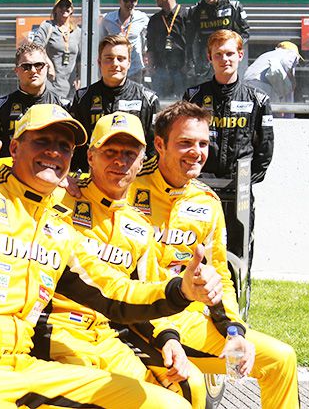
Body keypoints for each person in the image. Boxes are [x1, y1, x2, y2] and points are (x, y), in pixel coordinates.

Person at [0, 103, 223, 408]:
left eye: (64, 146)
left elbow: (114, 292)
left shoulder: (59, 229)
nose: (54, 152)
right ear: (15, 147)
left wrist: (182, 290)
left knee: (166, 404)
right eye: (42, 141)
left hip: (22, 366)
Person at [0, 113, 208, 408]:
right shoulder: (57, 196)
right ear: (91, 157)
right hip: (54, 330)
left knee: (185, 389)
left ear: (141, 162)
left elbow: (130, 290)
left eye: (129, 154)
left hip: (105, 330)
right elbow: (16, 185)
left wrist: (170, 331)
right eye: (110, 152)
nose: (120, 162)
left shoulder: (138, 226)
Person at [127, 101, 298, 409]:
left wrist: (234, 331)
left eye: (203, 143)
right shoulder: (127, 187)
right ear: (160, 145)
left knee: (281, 359)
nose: (196, 152)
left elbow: (221, 276)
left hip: (191, 320)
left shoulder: (207, 201)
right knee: (188, 388)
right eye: (185, 143)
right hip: (140, 320)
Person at [183, 30, 273, 279]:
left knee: (238, 251)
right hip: (199, 187)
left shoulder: (258, 99)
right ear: (209, 57)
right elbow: (182, 140)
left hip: (239, 189)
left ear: (240, 55)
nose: (225, 59)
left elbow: (265, 150)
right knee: (194, 249)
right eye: (219, 54)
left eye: (230, 53)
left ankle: (238, 300)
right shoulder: (193, 97)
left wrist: (245, 180)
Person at [69, 34, 159, 171]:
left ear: (129, 63)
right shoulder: (83, 98)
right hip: (92, 176)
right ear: (99, 62)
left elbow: (154, 148)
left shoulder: (148, 99)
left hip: (133, 177)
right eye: (109, 58)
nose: (115, 64)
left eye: (121, 59)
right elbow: (75, 145)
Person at [0, 42, 65, 157]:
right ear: (16, 70)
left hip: (48, 166)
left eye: (38, 65)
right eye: (26, 66)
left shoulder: (62, 106)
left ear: (46, 67)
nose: (33, 70)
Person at [185, 0, 250, 85]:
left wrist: (233, 47)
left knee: (232, 87)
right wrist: (192, 63)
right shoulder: (195, 11)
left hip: (229, 58)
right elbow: (190, 41)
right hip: (207, 61)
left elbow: (245, 32)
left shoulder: (233, 6)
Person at [32, 0, 82, 101]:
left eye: (67, 6)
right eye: (61, 6)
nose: (64, 8)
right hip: (50, 85)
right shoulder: (48, 26)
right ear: (55, 9)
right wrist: (49, 64)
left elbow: (80, 57)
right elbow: (36, 47)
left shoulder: (78, 32)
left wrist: (80, 76)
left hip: (70, 89)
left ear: (72, 9)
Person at [145, 0, 188, 100]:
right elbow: (150, 45)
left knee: (182, 104)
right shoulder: (155, 19)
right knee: (159, 104)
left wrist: (187, 66)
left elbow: (193, 43)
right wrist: (151, 67)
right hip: (160, 70)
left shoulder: (186, 15)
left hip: (181, 69)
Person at [100, 0, 149, 83]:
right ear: (120, 0)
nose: (129, 3)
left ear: (136, 2)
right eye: (126, 0)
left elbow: (148, 38)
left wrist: (146, 55)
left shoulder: (142, 18)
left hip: (135, 68)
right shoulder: (108, 19)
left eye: (133, 0)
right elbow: (101, 41)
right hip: (114, 67)